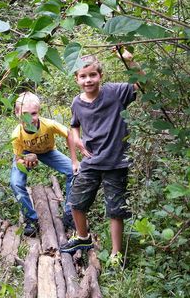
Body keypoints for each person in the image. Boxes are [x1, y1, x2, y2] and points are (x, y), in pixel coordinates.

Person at [60, 48, 143, 265]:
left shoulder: (115, 92)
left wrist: (130, 60)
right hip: (91, 161)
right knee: (76, 202)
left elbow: (142, 84)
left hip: (116, 162)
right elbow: (74, 126)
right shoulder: (77, 103)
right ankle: (83, 237)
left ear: (101, 76)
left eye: (92, 75)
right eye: (83, 76)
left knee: (115, 210)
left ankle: (116, 254)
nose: (88, 80)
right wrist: (77, 141)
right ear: (76, 79)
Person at [10, 91, 77, 236]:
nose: (30, 119)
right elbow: (18, 158)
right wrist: (26, 163)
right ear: (17, 113)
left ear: (39, 112)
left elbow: (69, 134)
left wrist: (74, 160)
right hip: (27, 153)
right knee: (15, 183)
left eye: (34, 113)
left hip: (48, 152)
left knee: (75, 170)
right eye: (25, 114)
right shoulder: (17, 134)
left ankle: (70, 213)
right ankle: (30, 219)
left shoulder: (48, 125)